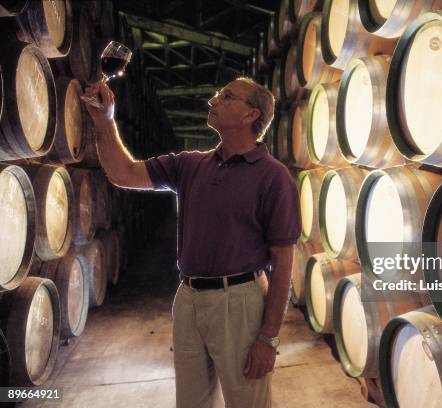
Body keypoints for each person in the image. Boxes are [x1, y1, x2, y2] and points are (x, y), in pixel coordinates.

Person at [83, 77, 301, 408]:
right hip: (188, 299)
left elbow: (283, 262)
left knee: (247, 401)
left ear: (250, 115)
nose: (214, 99)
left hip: (239, 302)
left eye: (227, 96)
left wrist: (268, 337)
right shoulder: (190, 165)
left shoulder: (273, 177)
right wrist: (105, 120)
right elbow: (122, 172)